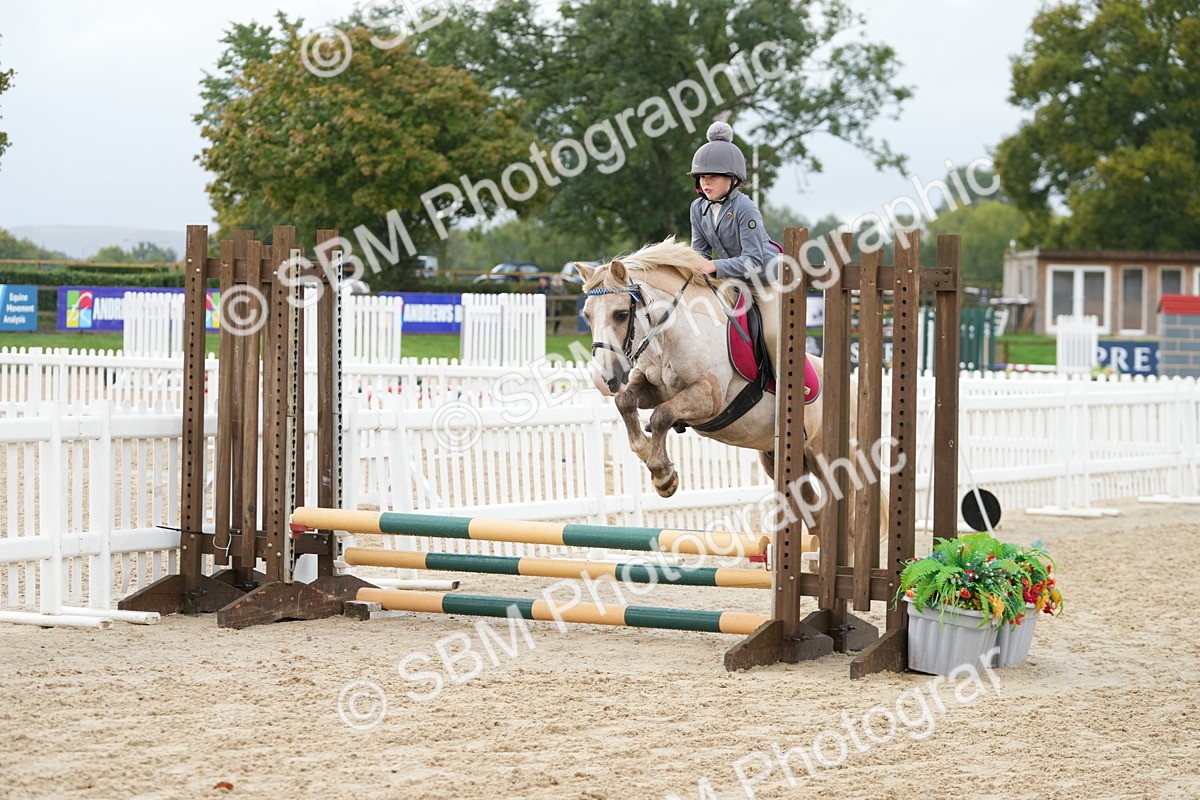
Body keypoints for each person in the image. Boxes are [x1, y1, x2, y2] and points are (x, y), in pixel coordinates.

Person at [688, 121, 779, 287]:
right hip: (733, 279)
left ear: (734, 179)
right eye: (702, 177)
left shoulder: (745, 207)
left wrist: (714, 266)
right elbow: (700, 255)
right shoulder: (697, 208)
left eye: (713, 176)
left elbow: (753, 261)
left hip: (766, 280)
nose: (706, 182)